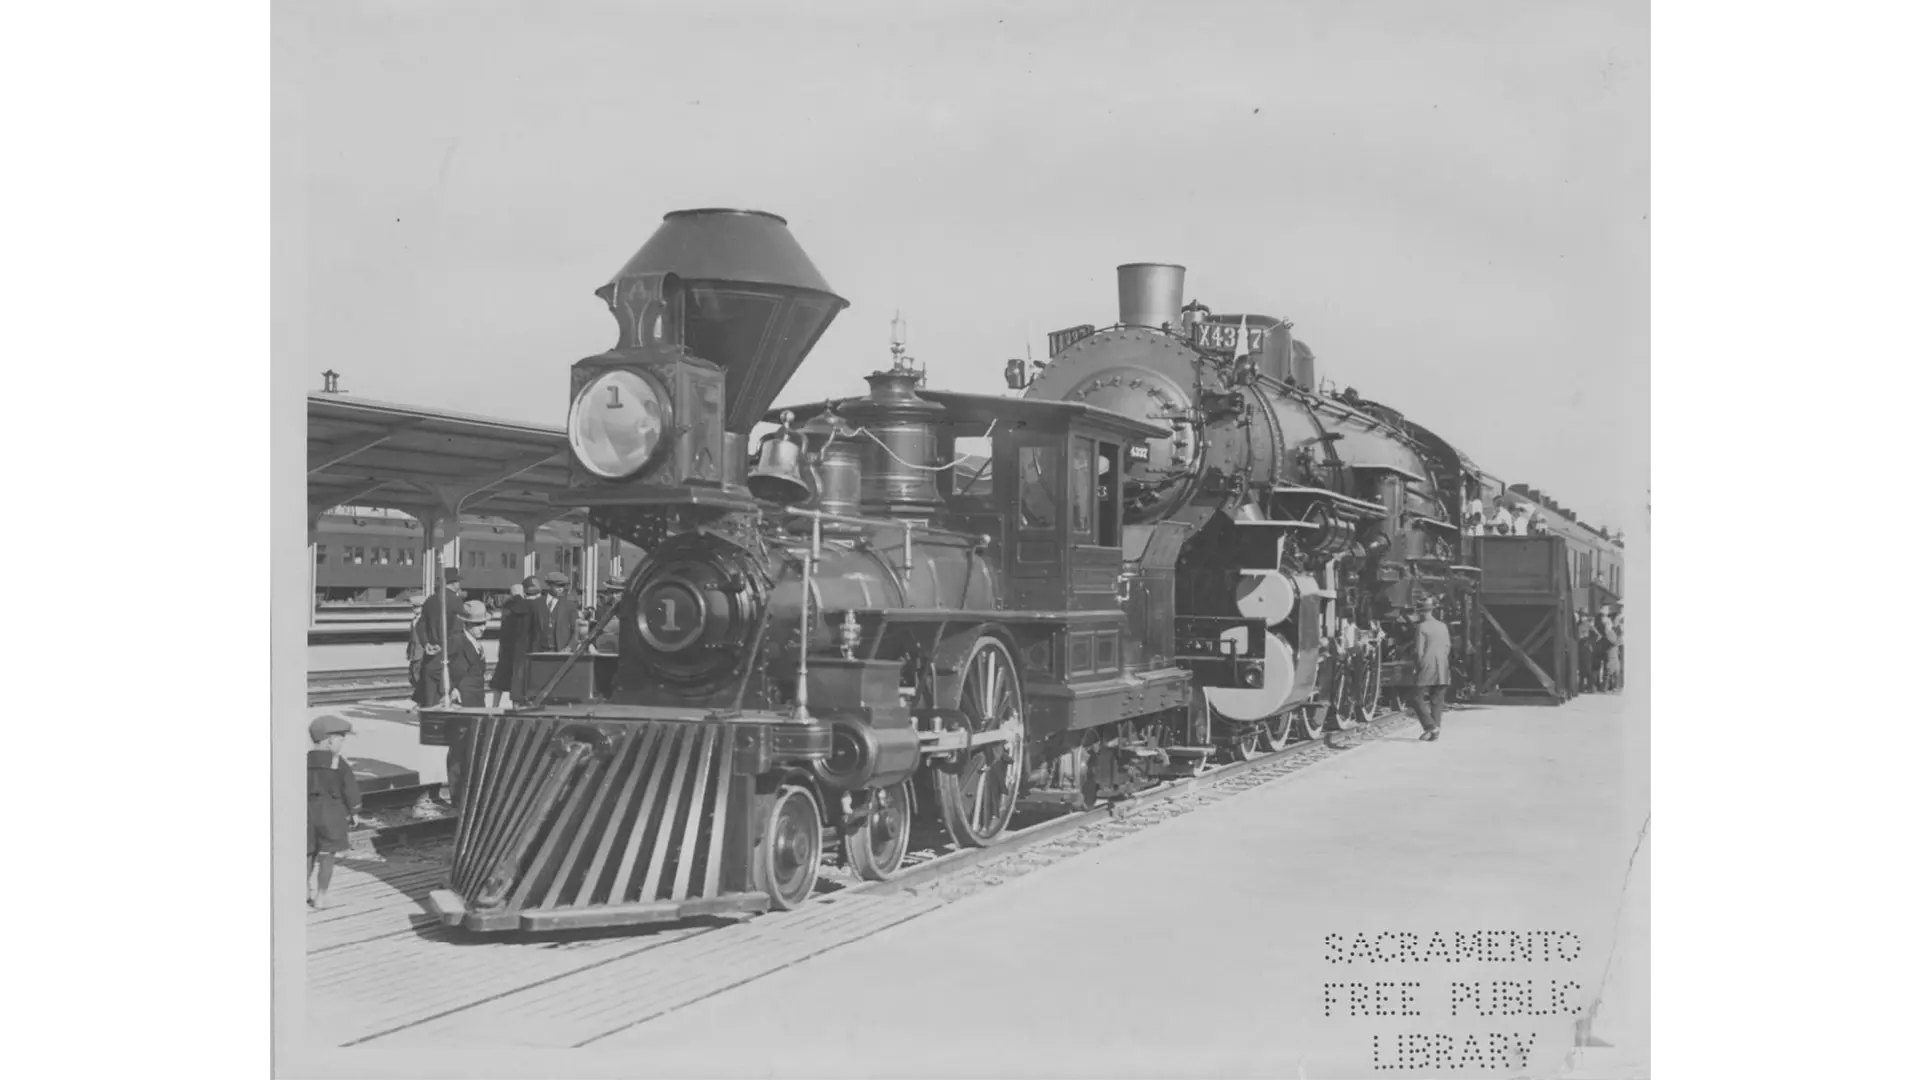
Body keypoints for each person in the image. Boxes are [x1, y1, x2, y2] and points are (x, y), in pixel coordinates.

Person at [308, 714, 362, 909]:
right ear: (330, 740)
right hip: (331, 814)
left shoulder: (304, 760)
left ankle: (303, 891)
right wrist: (354, 811)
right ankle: (321, 897)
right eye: (341, 739)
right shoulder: (338, 763)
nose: (341, 744)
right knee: (326, 857)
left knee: (307, 855)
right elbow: (350, 789)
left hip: (308, 813)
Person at [1408, 595, 1451, 741]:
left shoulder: (1422, 627)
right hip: (1443, 666)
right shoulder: (1442, 626)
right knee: (1437, 701)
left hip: (1427, 665)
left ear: (1420, 612)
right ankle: (1434, 733)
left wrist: (1417, 667)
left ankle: (1430, 726)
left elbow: (1419, 651)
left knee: (1415, 697)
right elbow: (1448, 647)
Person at [488, 583, 527, 709]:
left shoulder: (507, 607)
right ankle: (516, 706)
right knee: (517, 681)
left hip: (507, 648)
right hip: (521, 647)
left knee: (499, 680)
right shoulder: (527, 606)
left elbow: (503, 627)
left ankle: (495, 705)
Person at [448, 599, 490, 706]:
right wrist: (452, 689)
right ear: (466, 623)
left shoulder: (475, 643)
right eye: (478, 624)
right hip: (464, 698)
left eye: (484, 624)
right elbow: (449, 669)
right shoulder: (457, 641)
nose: (483, 628)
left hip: (477, 697)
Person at [537, 571, 579, 653]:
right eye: (558, 586)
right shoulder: (538, 603)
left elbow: (576, 630)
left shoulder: (569, 605)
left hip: (560, 651)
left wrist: (568, 648)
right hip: (540, 651)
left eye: (563, 586)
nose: (561, 589)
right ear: (549, 585)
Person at [404, 593, 429, 707]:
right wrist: (409, 650)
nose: (414, 609)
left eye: (417, 606)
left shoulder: (425, 620)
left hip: (421, 652)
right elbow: (412, 637)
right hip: (415, 651)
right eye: (413, 607)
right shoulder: (415, 620)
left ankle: (422, 700)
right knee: (412, 677)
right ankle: (421, 698)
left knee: (417, 677)